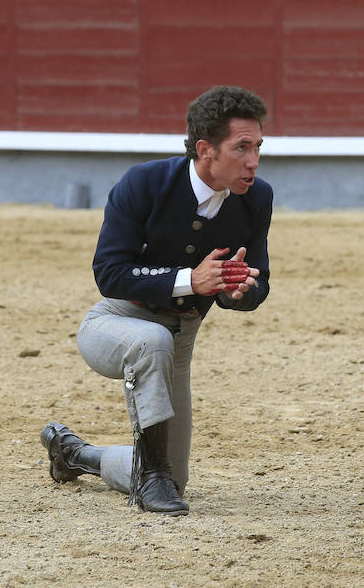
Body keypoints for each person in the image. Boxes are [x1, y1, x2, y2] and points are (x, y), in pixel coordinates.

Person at [40, 85, 273, 516]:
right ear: (205, 149)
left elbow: (257, 283)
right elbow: (109, 273)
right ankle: (149, 479)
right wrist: (191, 279)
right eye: (241, 148)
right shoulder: (144, 183)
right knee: (151, 341)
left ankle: (76, 454)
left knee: (173, 477)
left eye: (258, 146)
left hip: (179, 344)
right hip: (114, 325)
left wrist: (238, 290)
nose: (254, 161)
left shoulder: (257, 198)